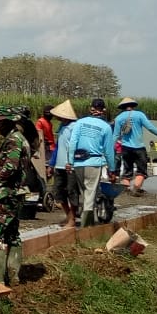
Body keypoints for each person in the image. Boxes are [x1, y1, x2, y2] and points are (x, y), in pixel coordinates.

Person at [0, 106, 30, 285]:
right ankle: (13, 276)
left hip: (4, 194)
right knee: (12, 234)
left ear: (6, 122)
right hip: (16, 193)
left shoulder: (13, 140)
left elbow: (10, 166)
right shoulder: (21, 139)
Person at [66, 98, 116, 228]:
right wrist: (112, 169)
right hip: (94, 163)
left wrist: (70, 162)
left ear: (91, 109)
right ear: (103, 110)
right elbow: (109, 151)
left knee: (84, 193)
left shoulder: (80, 123)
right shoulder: (105, 127)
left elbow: (72, 143)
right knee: (90, 194)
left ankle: (88, 223)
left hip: (78, 163)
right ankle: (86, 227)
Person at [113, 97, 157, 196]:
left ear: (122, 107)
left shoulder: (119, 118)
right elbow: (150, 127)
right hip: (139, 148)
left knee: (127, 171)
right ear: (133, 105)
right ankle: (136, 188)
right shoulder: (139, 115)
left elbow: (115, 135)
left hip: (125, 148)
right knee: (141, 171)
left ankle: (126, 190)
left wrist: (111, 148)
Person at [49, 99, 80, 228]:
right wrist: (52, 163)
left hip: (70, 165)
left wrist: (72, 162)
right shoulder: (62, 127)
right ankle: (69, 216)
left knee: (72, 192)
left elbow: (76, 146)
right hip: (59, 165)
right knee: (58, 192)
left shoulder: (75, 127)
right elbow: (57, 147)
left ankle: (72, 218)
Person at [35, 105, 56, 178]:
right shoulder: (40, 121)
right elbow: (38, 133)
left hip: (51, 147)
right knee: (47, 166)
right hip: (46, 147)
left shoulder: (49, 123)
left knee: (51, 166)